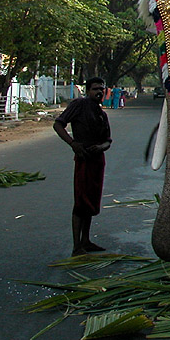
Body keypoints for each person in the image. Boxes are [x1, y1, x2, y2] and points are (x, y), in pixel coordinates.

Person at [53, 77, 112, 256]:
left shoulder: (102, 114)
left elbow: (108, 140)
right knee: (80, 202)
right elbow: (58, 124)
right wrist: (73, 143)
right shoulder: (79, 105)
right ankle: (76, 246)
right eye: (95, 89)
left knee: (91, 202)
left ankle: (86, 240)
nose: (99, 92)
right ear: (88, 91)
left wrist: (101, 147)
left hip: (97, 161)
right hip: (83, 159)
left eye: (101, 89)